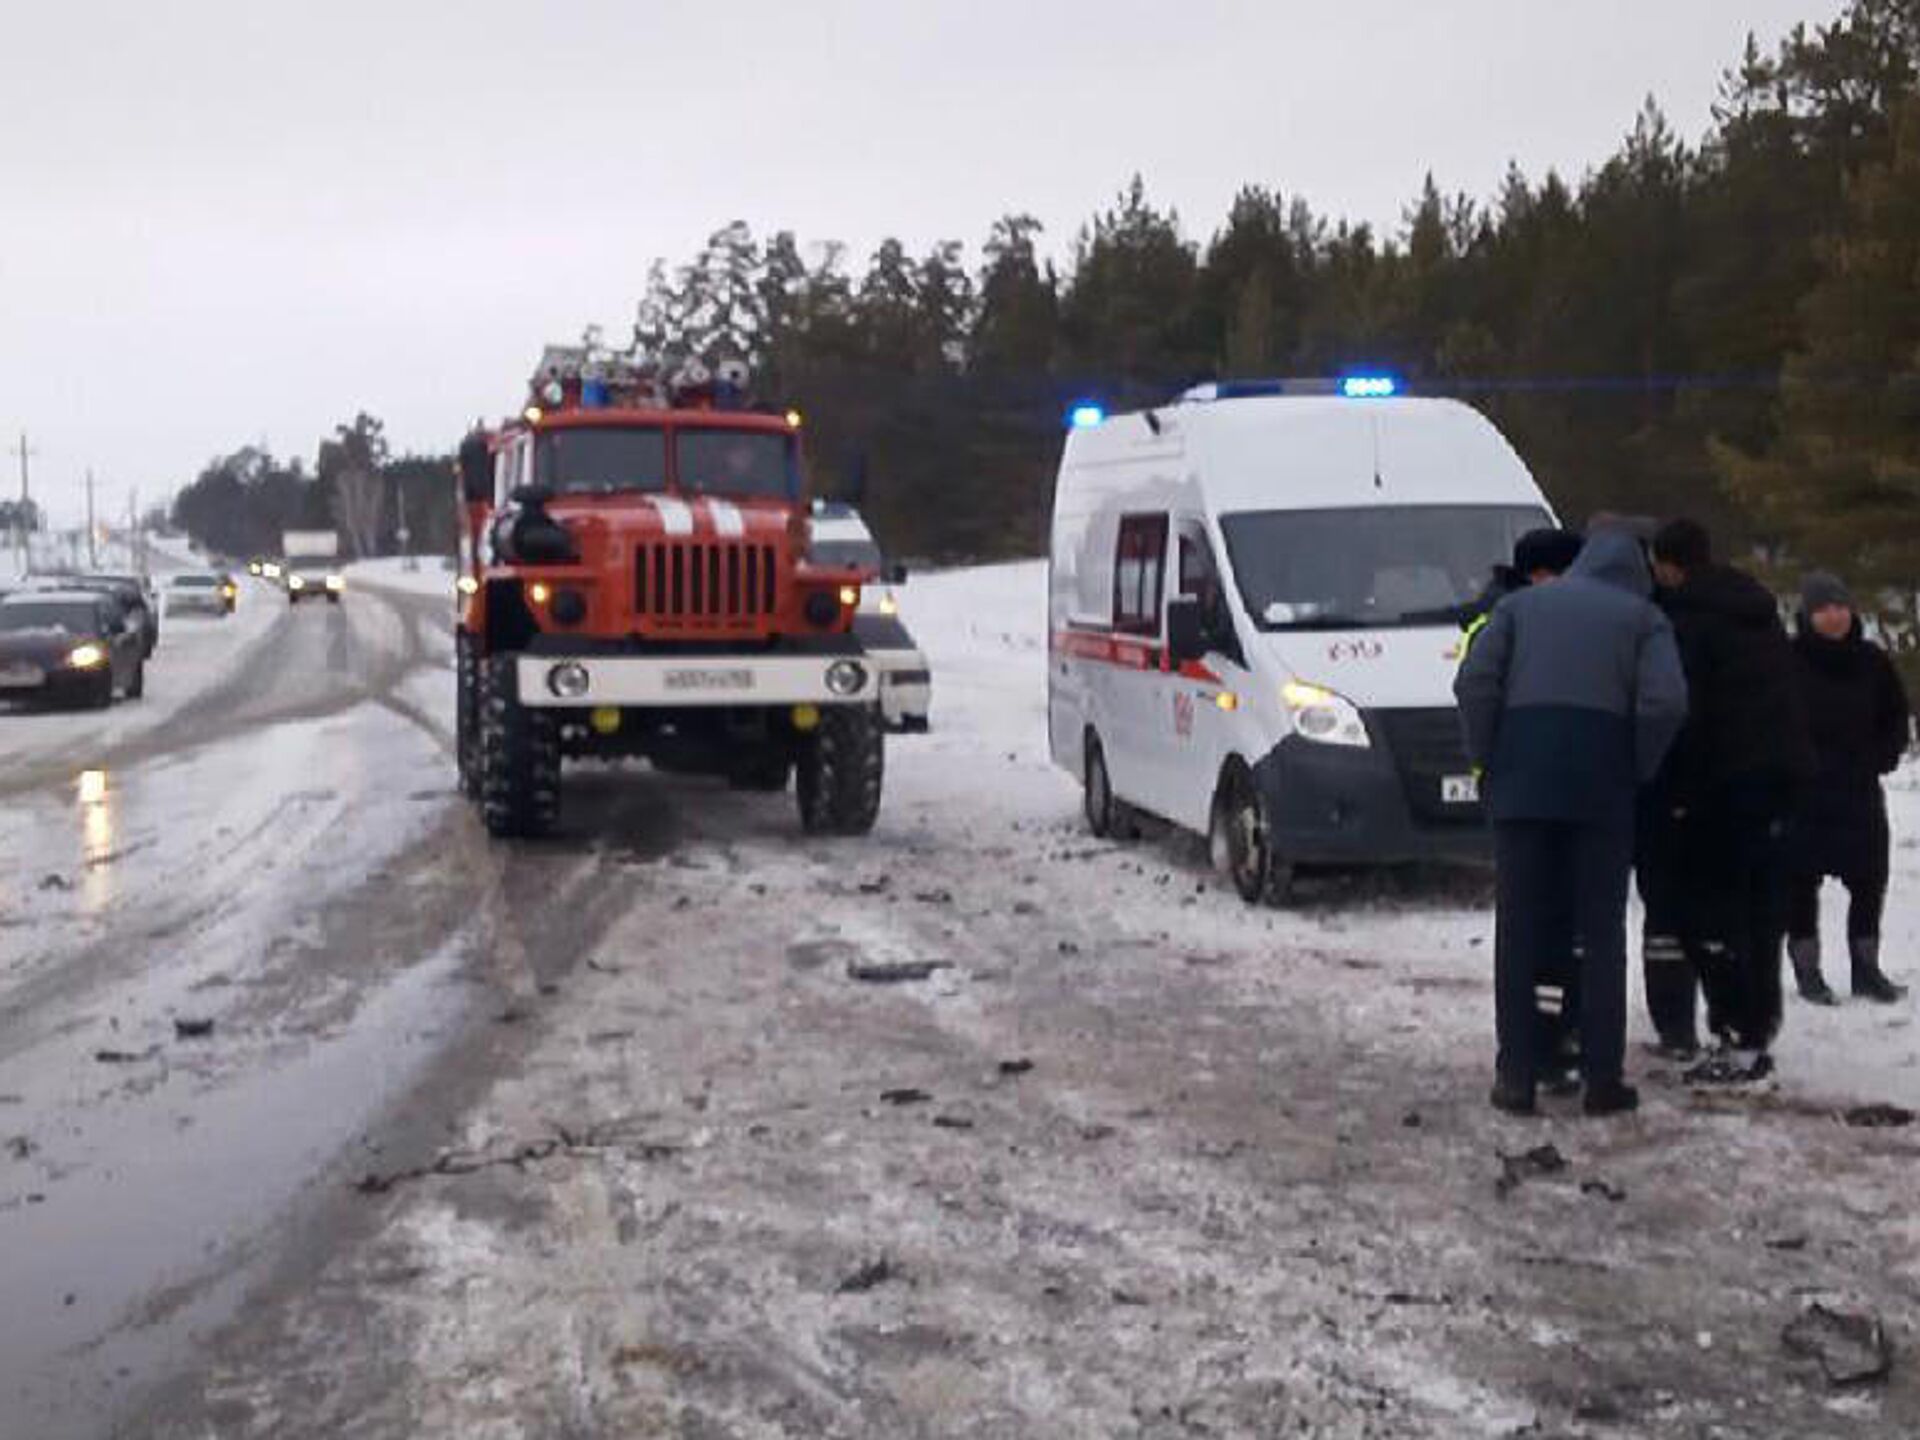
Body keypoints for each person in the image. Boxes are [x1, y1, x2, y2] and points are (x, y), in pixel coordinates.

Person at [1456, 530, 1688, 1116]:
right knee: (1601, 932)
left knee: (1519, 927)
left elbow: (1474, 683)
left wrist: (1489, 756)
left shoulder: (1517, 606)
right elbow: (1665, 703)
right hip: (1601, 786)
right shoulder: (1643, 619)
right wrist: (1635, 762)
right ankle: (1602, 1079)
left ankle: (1516, 1073)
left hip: (1522, 780)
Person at [1648, 519, 1812, 1083]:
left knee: (1705, 915)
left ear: (1668, 564)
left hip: (1717, 787)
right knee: (1761, 913)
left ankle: (1736, 1032)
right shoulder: (1759, 616)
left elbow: (1686, 715)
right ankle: (1757, 1027)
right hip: (1777, 781)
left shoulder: (1686, 622)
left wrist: (1675, 791)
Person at [1459, 528, 1588, 1087]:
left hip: (1532, 785)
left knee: (1552, 925)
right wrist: (1491, 762)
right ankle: (1538, 1046)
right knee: (1541, 925)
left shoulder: (1509, 619)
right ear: (1542, 574)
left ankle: (1550, 1038)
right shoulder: (1505, 623)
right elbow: (1476, 693)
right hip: (1537, 787)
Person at [1785, 572, 1911, 1005]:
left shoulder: (1872, 660)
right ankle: (1807, 969)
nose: (1834, 616)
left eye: (1840, 606)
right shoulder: (1789, 660)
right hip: (1806, 793)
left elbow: (1896, 716)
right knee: (1800, 884)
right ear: (1808, 614)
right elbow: (1770, 721)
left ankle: (1866, 968)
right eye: (1823, 608)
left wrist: (1883, 755)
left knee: (1869, 880)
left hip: (1858, 789)